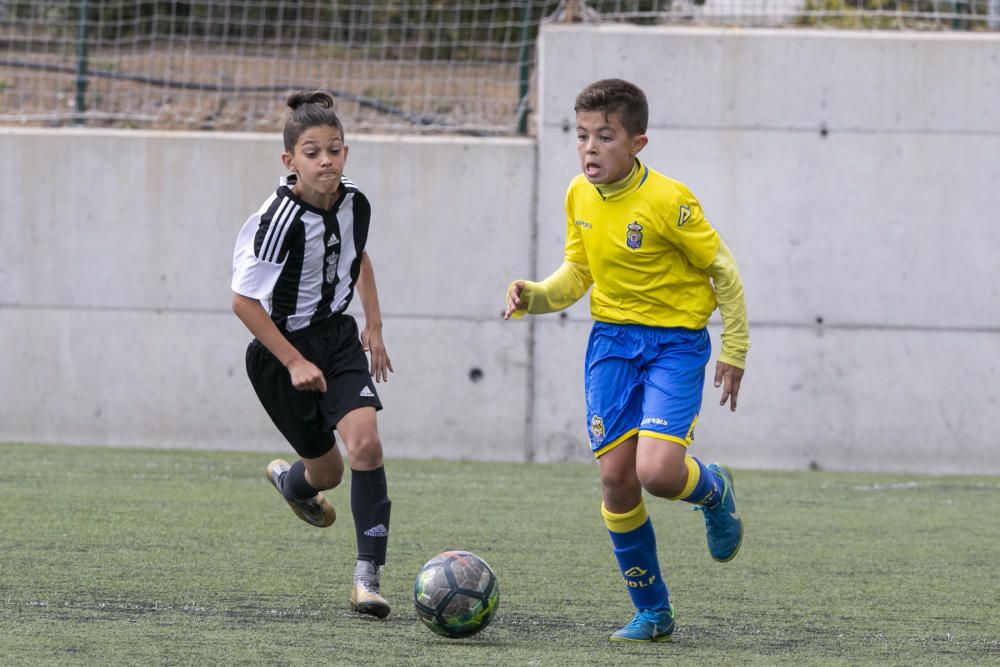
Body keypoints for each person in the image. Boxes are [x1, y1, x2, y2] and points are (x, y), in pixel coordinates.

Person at [504, 79, 750, 642]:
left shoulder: (670, 200)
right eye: (582, 136)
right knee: (617, 481)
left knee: (658, 473)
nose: (590, 149)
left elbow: (725, 273)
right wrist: (534, 295)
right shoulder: (577, 195)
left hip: (675, 345)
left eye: (605, 137)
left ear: (637, 142)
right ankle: (654, 612)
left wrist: (735, 350)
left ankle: (714, 492)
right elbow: (578, 275)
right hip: (612, 343)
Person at [231, 90, 394, 619]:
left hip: (338, 339)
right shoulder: (276, 220)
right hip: (280, 353)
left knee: (365, 446)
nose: (326, 160)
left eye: (335, 149)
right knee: (326, 474)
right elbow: (243, 301)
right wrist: (294, 361)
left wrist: (373, 323)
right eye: (312, 152)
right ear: (290, 161)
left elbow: (358, 256)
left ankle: (366, 579)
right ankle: (290, 480)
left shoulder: (355, 202)